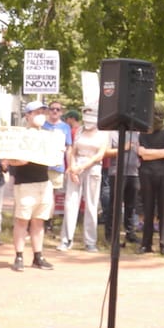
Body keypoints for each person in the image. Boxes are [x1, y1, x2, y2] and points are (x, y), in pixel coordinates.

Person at [7, 101, 57, 271]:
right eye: (36, 112)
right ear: (27, 115)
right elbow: (8, 160)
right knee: (22, 220)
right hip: (25, 183)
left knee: (39, 221)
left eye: (42, 112)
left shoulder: (48, 135)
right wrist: (17, 162)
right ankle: (19, 256)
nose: (40, 115)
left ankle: (38, 256)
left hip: (44, 181)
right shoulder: (19, 135)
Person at [59, 108, 109, 252]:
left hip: (92, 168)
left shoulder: (103, 132)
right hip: (76, 167)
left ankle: (90, 241)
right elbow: (73, 151)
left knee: (91, 205)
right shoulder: (80, 130)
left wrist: (82, 167)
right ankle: (66, 239)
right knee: (70, 203)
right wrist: (73, 167)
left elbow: (100, 155)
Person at [136, 104, 164, 256]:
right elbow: (141, 153)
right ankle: (146, 243)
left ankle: (163, 244)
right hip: (146, 173)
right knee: (148, 208)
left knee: (163, 210)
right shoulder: (144, 132)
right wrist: (154, 153)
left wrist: (148, 153)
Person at [42, 100, 73, 192]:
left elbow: (69, 148)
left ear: (61, 112)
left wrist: (70, 166)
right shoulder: (41, 125)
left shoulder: (65, 127)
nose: (55, 111)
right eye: (52, 109)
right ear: (48, 111)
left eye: (58, 109)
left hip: (57, 167)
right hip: (42, 166)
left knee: (53, 195)